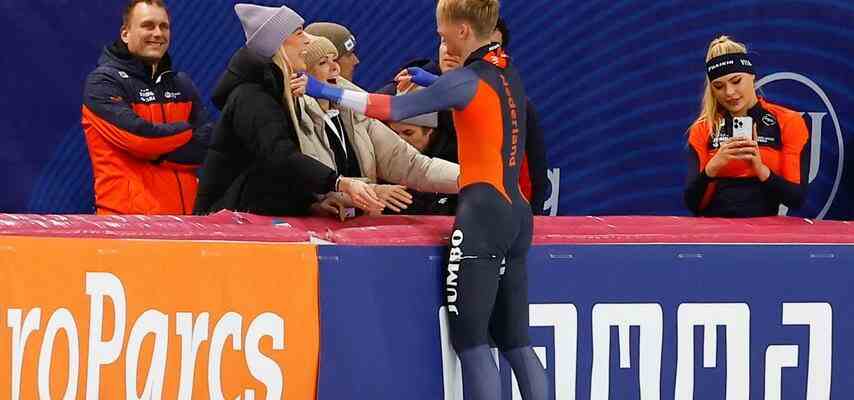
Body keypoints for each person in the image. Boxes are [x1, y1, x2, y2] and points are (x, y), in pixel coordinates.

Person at [305, 0, 547, 399]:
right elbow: (475, 101)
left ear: (464, 31)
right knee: (516, 341)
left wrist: (320, 88)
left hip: (482, 216)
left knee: (472, 343)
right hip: (517, 216)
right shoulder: (506, 72)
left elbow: (390, 107)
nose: (443, 41)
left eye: (443, 33)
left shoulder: (465, 79)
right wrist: (430, 80)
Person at [193, 3, 382, 217]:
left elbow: (271, 174)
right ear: (277, 44)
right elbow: (280, 156)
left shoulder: (275, 90)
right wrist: (339, 182)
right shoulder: (252, 97)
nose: (308, 40)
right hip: (226, 224)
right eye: (299, 33)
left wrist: (308, 203)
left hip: (245, 215)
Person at [391, 17, 550, 215]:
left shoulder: (514, 106)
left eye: (486, 48)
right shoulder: (408, 86)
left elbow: (532, 182)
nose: (451, 51)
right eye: (446, 41)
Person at [299, 35, 460, 213]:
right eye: (323, 62)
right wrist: (372, 191)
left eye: (334, 59)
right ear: (302, 74)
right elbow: (307, 179)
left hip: (361, 223)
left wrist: (474, 179)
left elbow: (414, 166)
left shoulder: (355, 111)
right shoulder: (296, 117)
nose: (335, 68)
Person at [82, 0, 212, 215]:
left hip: (187, 224)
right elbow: (140, 138)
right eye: (148, 25)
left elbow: (208, 145)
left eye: (164, 26)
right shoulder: (102, 82)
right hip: (126, 225)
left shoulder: (182, 83)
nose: (158, 33)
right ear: (125, 34)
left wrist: (154, 153)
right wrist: (188, 131)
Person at [684, 36, 810, 217]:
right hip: (714, 235)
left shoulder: (788, 121)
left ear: (752, 76)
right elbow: (693, 204)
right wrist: (713, 168)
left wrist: (761, 170)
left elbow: (796, 198)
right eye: (719, 86)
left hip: (765, 236)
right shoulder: (704, 128)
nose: (729, 93)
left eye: (736, 81)